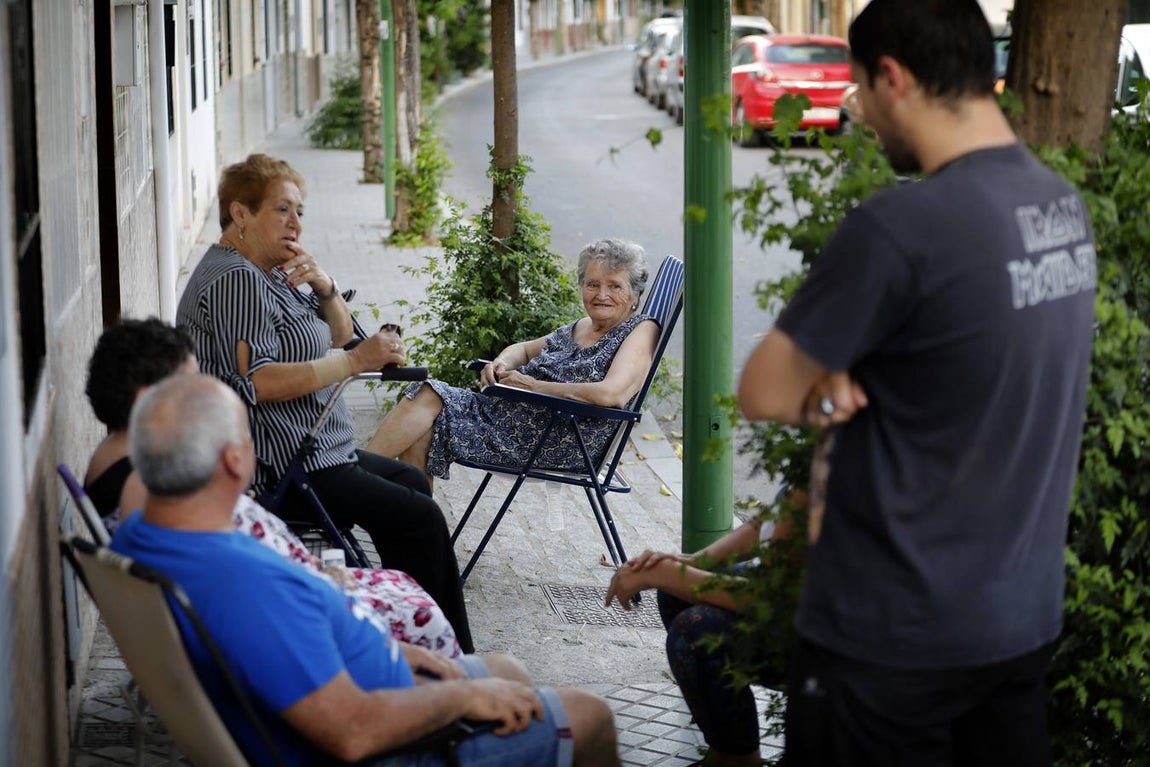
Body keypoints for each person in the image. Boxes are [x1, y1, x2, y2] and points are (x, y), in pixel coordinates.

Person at [737, 1, 1096, 764]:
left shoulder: (904, 225)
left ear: (893, 77)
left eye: (861, 87)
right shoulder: (1060, 207)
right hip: (1017, 626)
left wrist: (829, 371)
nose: (859, 109)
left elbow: (764, 389)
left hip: (888, 645)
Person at [112, 373, 620, 767]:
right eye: (248, 437)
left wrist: (394, 651)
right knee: (589, 717)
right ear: (231, 461)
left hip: (353, 688)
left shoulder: (142, 534)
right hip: (377, 741)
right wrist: (461, 698)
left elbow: (278, 646)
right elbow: (352, 733)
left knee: (507, 668)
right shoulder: (245, 582)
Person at [176, 153, 473, 653]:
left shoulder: (269, 270)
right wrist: (356, 364)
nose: (295, 223)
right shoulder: (236, 279)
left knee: (410, 485)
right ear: (240, 214)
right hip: (286, 466)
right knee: (420, 519)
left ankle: (405, 634)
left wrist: (325, 285)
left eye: (301, 211)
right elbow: (258, 380)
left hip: (324, 451)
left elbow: (337, 334)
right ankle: (451, 659)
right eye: (282, 210)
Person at [83, 318, 462, 657]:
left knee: (405, 556)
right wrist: (313, 579)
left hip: (289, 597)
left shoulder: (136, 464)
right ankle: (456, 681)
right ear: (145, 398)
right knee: (421, 596)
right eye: (189, 385)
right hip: (289, 619)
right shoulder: (143, 488)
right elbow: (230, 580)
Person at [368, 239, 659, 482]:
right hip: (514, 417)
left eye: (615, 286)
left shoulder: (640, 331)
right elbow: (522, 349)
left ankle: (350, 483)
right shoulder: (583, 325)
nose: (601, 294)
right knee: (423, 423)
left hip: (556, 438)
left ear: (635, 294)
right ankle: (416, 541)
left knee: (427, 394)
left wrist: (533, 386)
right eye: (593, 284)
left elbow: (612, 395)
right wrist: (501, 363)